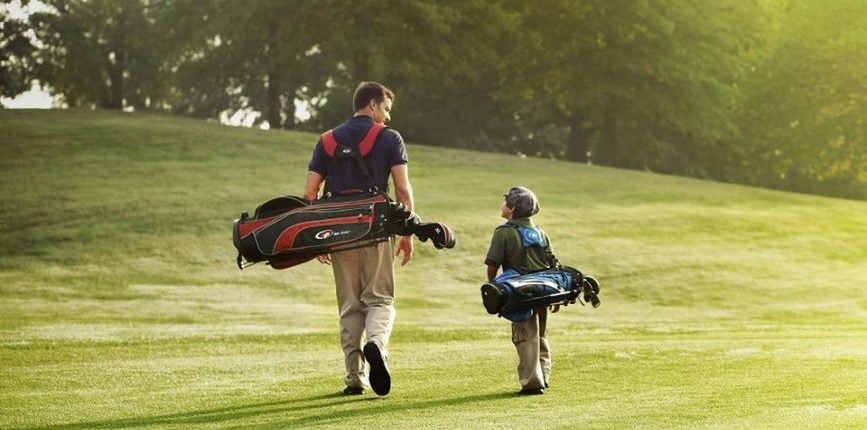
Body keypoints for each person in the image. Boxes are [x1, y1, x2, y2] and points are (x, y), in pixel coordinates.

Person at [303, 81, 414, 396]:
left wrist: (318, 238)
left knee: (349, 305)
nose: (387, 118)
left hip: (337, 234)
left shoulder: (325, 141)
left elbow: (310, 194)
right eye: (386, 110)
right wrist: (406, 232)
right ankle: (376, 344)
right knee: (378, 299)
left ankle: (354, 377)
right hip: (376, 231)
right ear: (374, 103)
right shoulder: (390, 138)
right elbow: (403, 190)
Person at [484, 186, 559, 395]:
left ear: (512, 208)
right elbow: (552, 265)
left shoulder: (504, 232)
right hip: (544, 291)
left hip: (520, 293)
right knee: (541, 334)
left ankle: (532, 383)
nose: (502, 204)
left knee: (525, 336)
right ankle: (543, 375)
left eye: (505, 201)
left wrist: (494, 291)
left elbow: (493, 265)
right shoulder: (541, 233)